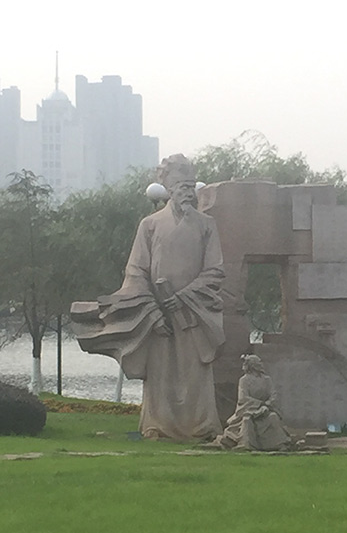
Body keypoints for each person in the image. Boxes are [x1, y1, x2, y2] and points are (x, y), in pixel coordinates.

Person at [72, 154, 225, 441]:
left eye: (191, 185)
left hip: (193, 313)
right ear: (168, 188)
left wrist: (183, 298)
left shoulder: (206, 225)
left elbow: (215, 271)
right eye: (180, 184)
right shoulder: (150, 224)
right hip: (158, 313)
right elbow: (136, 271)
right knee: (162, 372)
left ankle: (202, 427)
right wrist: (153, 312)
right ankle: (158, 426)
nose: (187, 190)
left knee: (195, 370)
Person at [218, 355, 292, 451]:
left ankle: (279, 445)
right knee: (247, 420)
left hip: (266, 409)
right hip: (249, 409)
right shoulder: (244, 380)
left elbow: (273, 395)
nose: (261, 364)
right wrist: (260, 404)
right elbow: (243, 398)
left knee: (273, 417)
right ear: (253, 365)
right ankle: (246, 445)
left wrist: (267, 405)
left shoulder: (267, 380)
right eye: (258, 362)